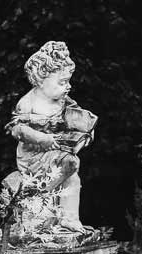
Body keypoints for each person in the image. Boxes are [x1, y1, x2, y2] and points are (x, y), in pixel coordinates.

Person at [6, 40, 96, 232]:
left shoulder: (63, 100)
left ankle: (69, 218)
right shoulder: (28, 103)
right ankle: (35, 196)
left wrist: (86, 132)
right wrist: (42, 138)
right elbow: (17, 130)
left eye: (68, 81)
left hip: (58, 150)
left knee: (72, 177)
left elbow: (79, 118)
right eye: (62, 82)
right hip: (34, 156)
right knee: (71, 164)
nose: (68, 86)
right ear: (41, 79)